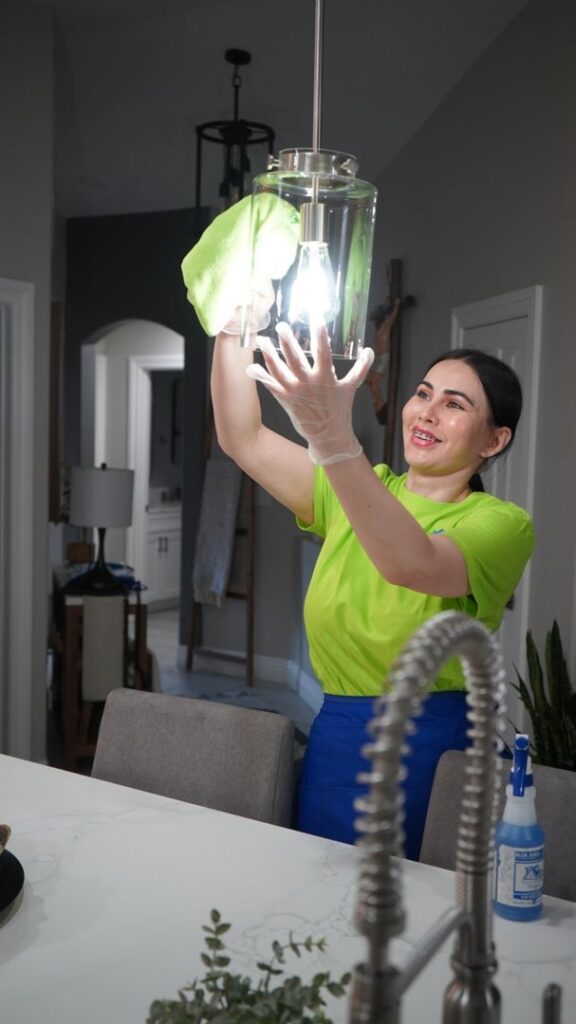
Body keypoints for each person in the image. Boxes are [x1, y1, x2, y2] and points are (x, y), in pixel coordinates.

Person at [210, 320, 534, 860]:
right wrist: (232, 328)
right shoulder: (359, 488)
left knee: (412, 901)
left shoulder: (501, 524)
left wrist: (335, 441)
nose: (427, 412)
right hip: (337, 731)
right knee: (322, 892)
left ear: (494, 440)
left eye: (454, 405)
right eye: (423, 394)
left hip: (430, 746)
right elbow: (243, 439)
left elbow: (411, 563)